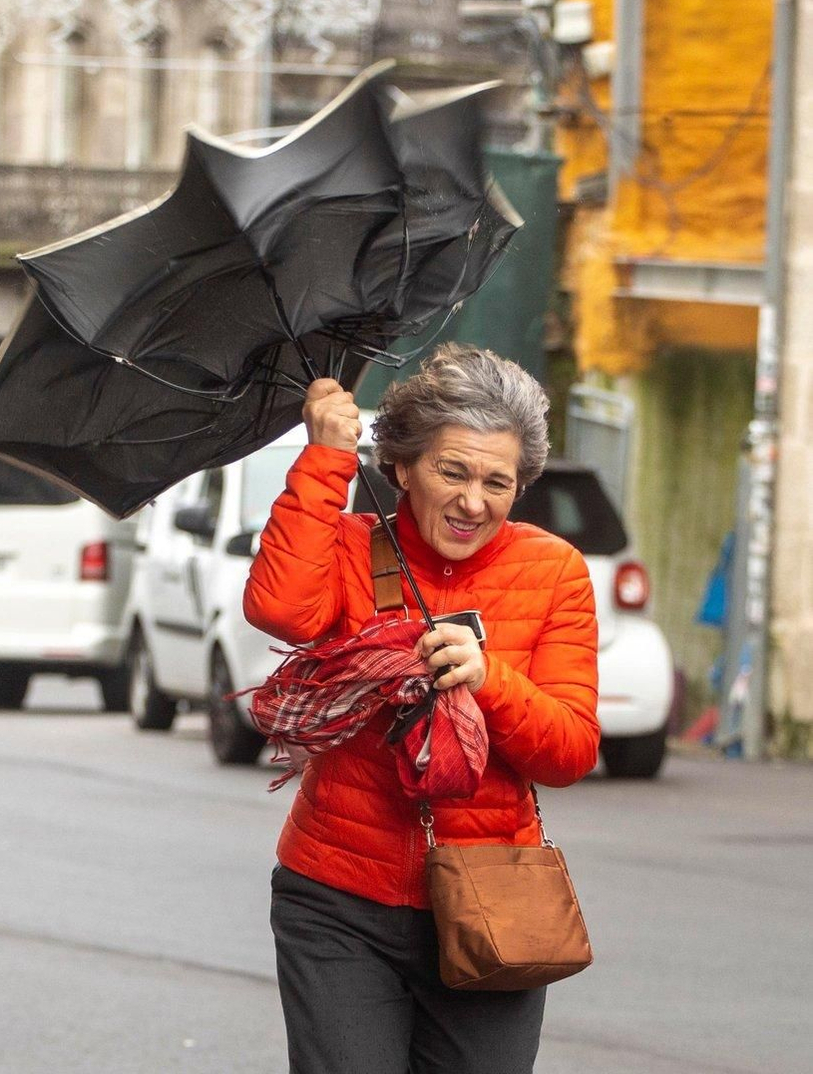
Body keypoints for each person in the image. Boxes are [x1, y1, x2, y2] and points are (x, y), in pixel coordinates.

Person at [243, 344, 599, 1074]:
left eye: (498, 481)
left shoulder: (554, 571)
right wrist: (324, 461)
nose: (475, 501)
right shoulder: (350, 549)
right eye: (453, 471)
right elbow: (277, 607)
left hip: (490, 901)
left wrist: (489, 678)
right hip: (339, 898)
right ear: (403, 467)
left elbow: (568, 750)